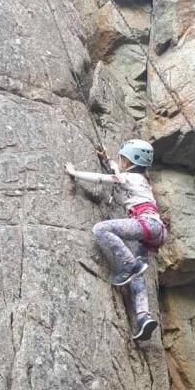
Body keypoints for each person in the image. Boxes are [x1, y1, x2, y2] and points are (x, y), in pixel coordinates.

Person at [65, 139, 167, 341]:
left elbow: (103, 179)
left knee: (101, 229)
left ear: (129, 162)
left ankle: (130, 265)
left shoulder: (131, 178)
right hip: (157, 232)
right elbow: (119, 175)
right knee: (137, 278)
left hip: (146, 225)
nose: (119, 162)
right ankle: (143, 317)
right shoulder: (141, 180)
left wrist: (75, 173)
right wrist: (108, 159)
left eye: (122, 159)